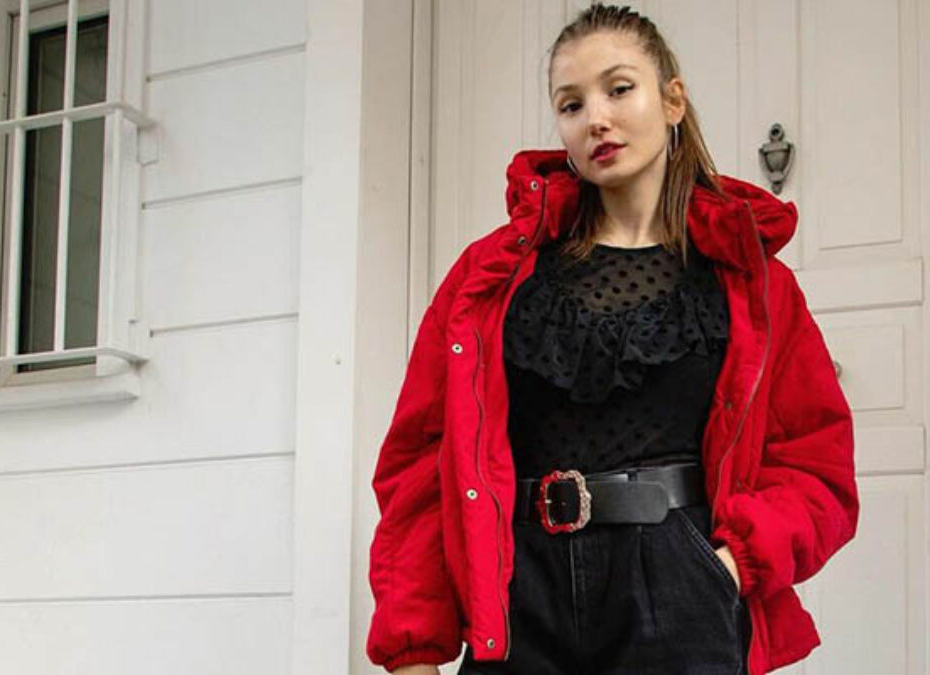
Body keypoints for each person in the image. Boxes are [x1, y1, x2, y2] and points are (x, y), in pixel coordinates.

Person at [366, 4, 858, 674]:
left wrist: (727, 566)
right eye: (571, 104)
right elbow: (421, 469)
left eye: (619, 89)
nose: (595, 118)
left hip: (678, 592)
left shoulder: (754, 285)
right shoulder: (492, 279)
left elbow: (815, 467)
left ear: (673, 100)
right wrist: (413, 648)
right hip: (520, 599)